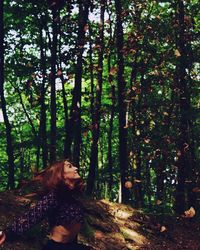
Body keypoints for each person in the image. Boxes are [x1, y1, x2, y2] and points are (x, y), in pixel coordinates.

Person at [0, 160, 91, 250]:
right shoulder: (55, 196)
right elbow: (33, 216)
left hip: (71, 246)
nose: (76, 168)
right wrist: (7, 233)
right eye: (70, 166)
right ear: (61, 174)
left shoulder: (73, 197)